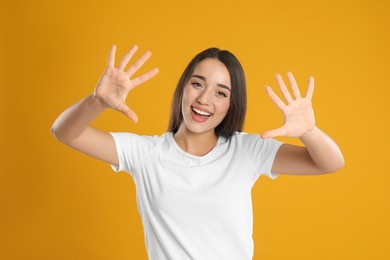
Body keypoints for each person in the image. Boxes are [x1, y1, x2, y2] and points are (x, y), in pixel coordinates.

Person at [51, 44, 344, 260]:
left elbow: (330, 162)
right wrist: (97, 102)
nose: (204, 99)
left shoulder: (246, 151)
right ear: (183, 88)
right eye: (197, 84)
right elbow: (64, 131)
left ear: (232, 103)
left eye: (220, 92)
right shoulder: (146, 153)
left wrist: (308, 131)